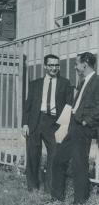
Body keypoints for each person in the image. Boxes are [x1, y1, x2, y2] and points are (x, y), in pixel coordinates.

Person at [51, 52, 99, 204]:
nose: (75, 67)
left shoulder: (97, 81)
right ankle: (57, 198)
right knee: (58, 159)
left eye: (77, 63)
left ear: (85, 63)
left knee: (79, 164)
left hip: (83, 128)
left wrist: (86, 121)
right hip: (73, 126)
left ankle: (79, 200)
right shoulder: (83, 81)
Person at [22, 54, 73, 193]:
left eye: (56, 65)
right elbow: (28, 106)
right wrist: (25, 124)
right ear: (45, 66)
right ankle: (32, 187)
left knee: (55, 155)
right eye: (51, 65)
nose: (54, 68)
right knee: (32, 154)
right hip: (36, 121)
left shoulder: (65, 83)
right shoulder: (35, 84)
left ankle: (50, 189)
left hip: (54, 123)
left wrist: (64, 126)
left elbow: (69, 105)